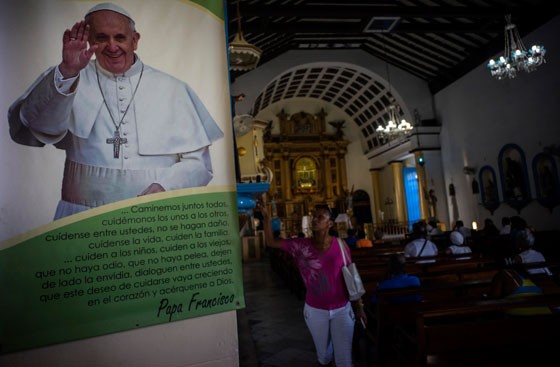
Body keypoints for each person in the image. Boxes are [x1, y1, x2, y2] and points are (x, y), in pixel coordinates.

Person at [7, 2, 224, 220]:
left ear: (135, 40)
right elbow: (37, 126)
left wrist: (166, 186)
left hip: (153, 214)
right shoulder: (68, 77)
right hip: (81, 217)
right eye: (101, 38)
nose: (112, 46)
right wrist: (68, 70)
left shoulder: (173, 89)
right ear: (90, 41)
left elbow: (199, 164)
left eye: (120, 37)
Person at [261, 202, 366, 367]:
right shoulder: (300, 246)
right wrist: (266, 218)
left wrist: (358, 306)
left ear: (330, 223)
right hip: (315, 310)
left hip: (342, 309)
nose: (314, 220)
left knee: (345, 360)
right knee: (324, 356)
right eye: (313, 217)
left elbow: (352, 277)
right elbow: (270, 242)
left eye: (320, 217)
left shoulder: (341, 245)